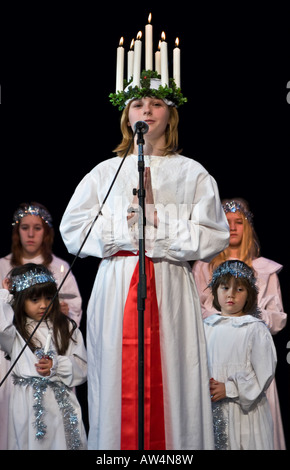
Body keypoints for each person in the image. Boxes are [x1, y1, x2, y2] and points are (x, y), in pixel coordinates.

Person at [60, 67, 230, 450]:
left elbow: (213, 234)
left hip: (169, 280)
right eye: (138, 104)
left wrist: (156, 220)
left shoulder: (192, 172)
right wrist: (125, 226)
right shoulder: (104, 173)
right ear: (127, 115)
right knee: (117, 375)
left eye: (156, 103)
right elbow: (73, 231)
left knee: (174, 373)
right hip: (118, 280)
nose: (148, 111)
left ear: (170, 113)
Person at [192, 197, 286, 449]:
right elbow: (193, 311)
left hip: (249, 367)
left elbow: (275, 317)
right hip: (214, 361)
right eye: (226, 222)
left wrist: (249, 314)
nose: (232, 227)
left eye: (238, 222)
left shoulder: (264, 271)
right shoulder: (203, 268)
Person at [0, 202, 83, 450]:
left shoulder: (59, 266)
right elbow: (3, 327)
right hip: (15, 356)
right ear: (17, 232)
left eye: (37, 228)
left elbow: (73, 308)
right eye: (25, 228)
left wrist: (63, 311)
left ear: (46, 232)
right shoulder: (2, 265)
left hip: (52, 350)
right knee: (17, 426)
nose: (31, 234)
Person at [204, 260, 277, 450]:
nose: (230, 294)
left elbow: (264, 373)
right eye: (225, 287)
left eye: (239, 290)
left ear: (249, 295)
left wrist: (229, 388)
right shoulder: (205, 326)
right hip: (210, 407)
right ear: (215, 291)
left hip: (245, 412)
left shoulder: (255, 329)